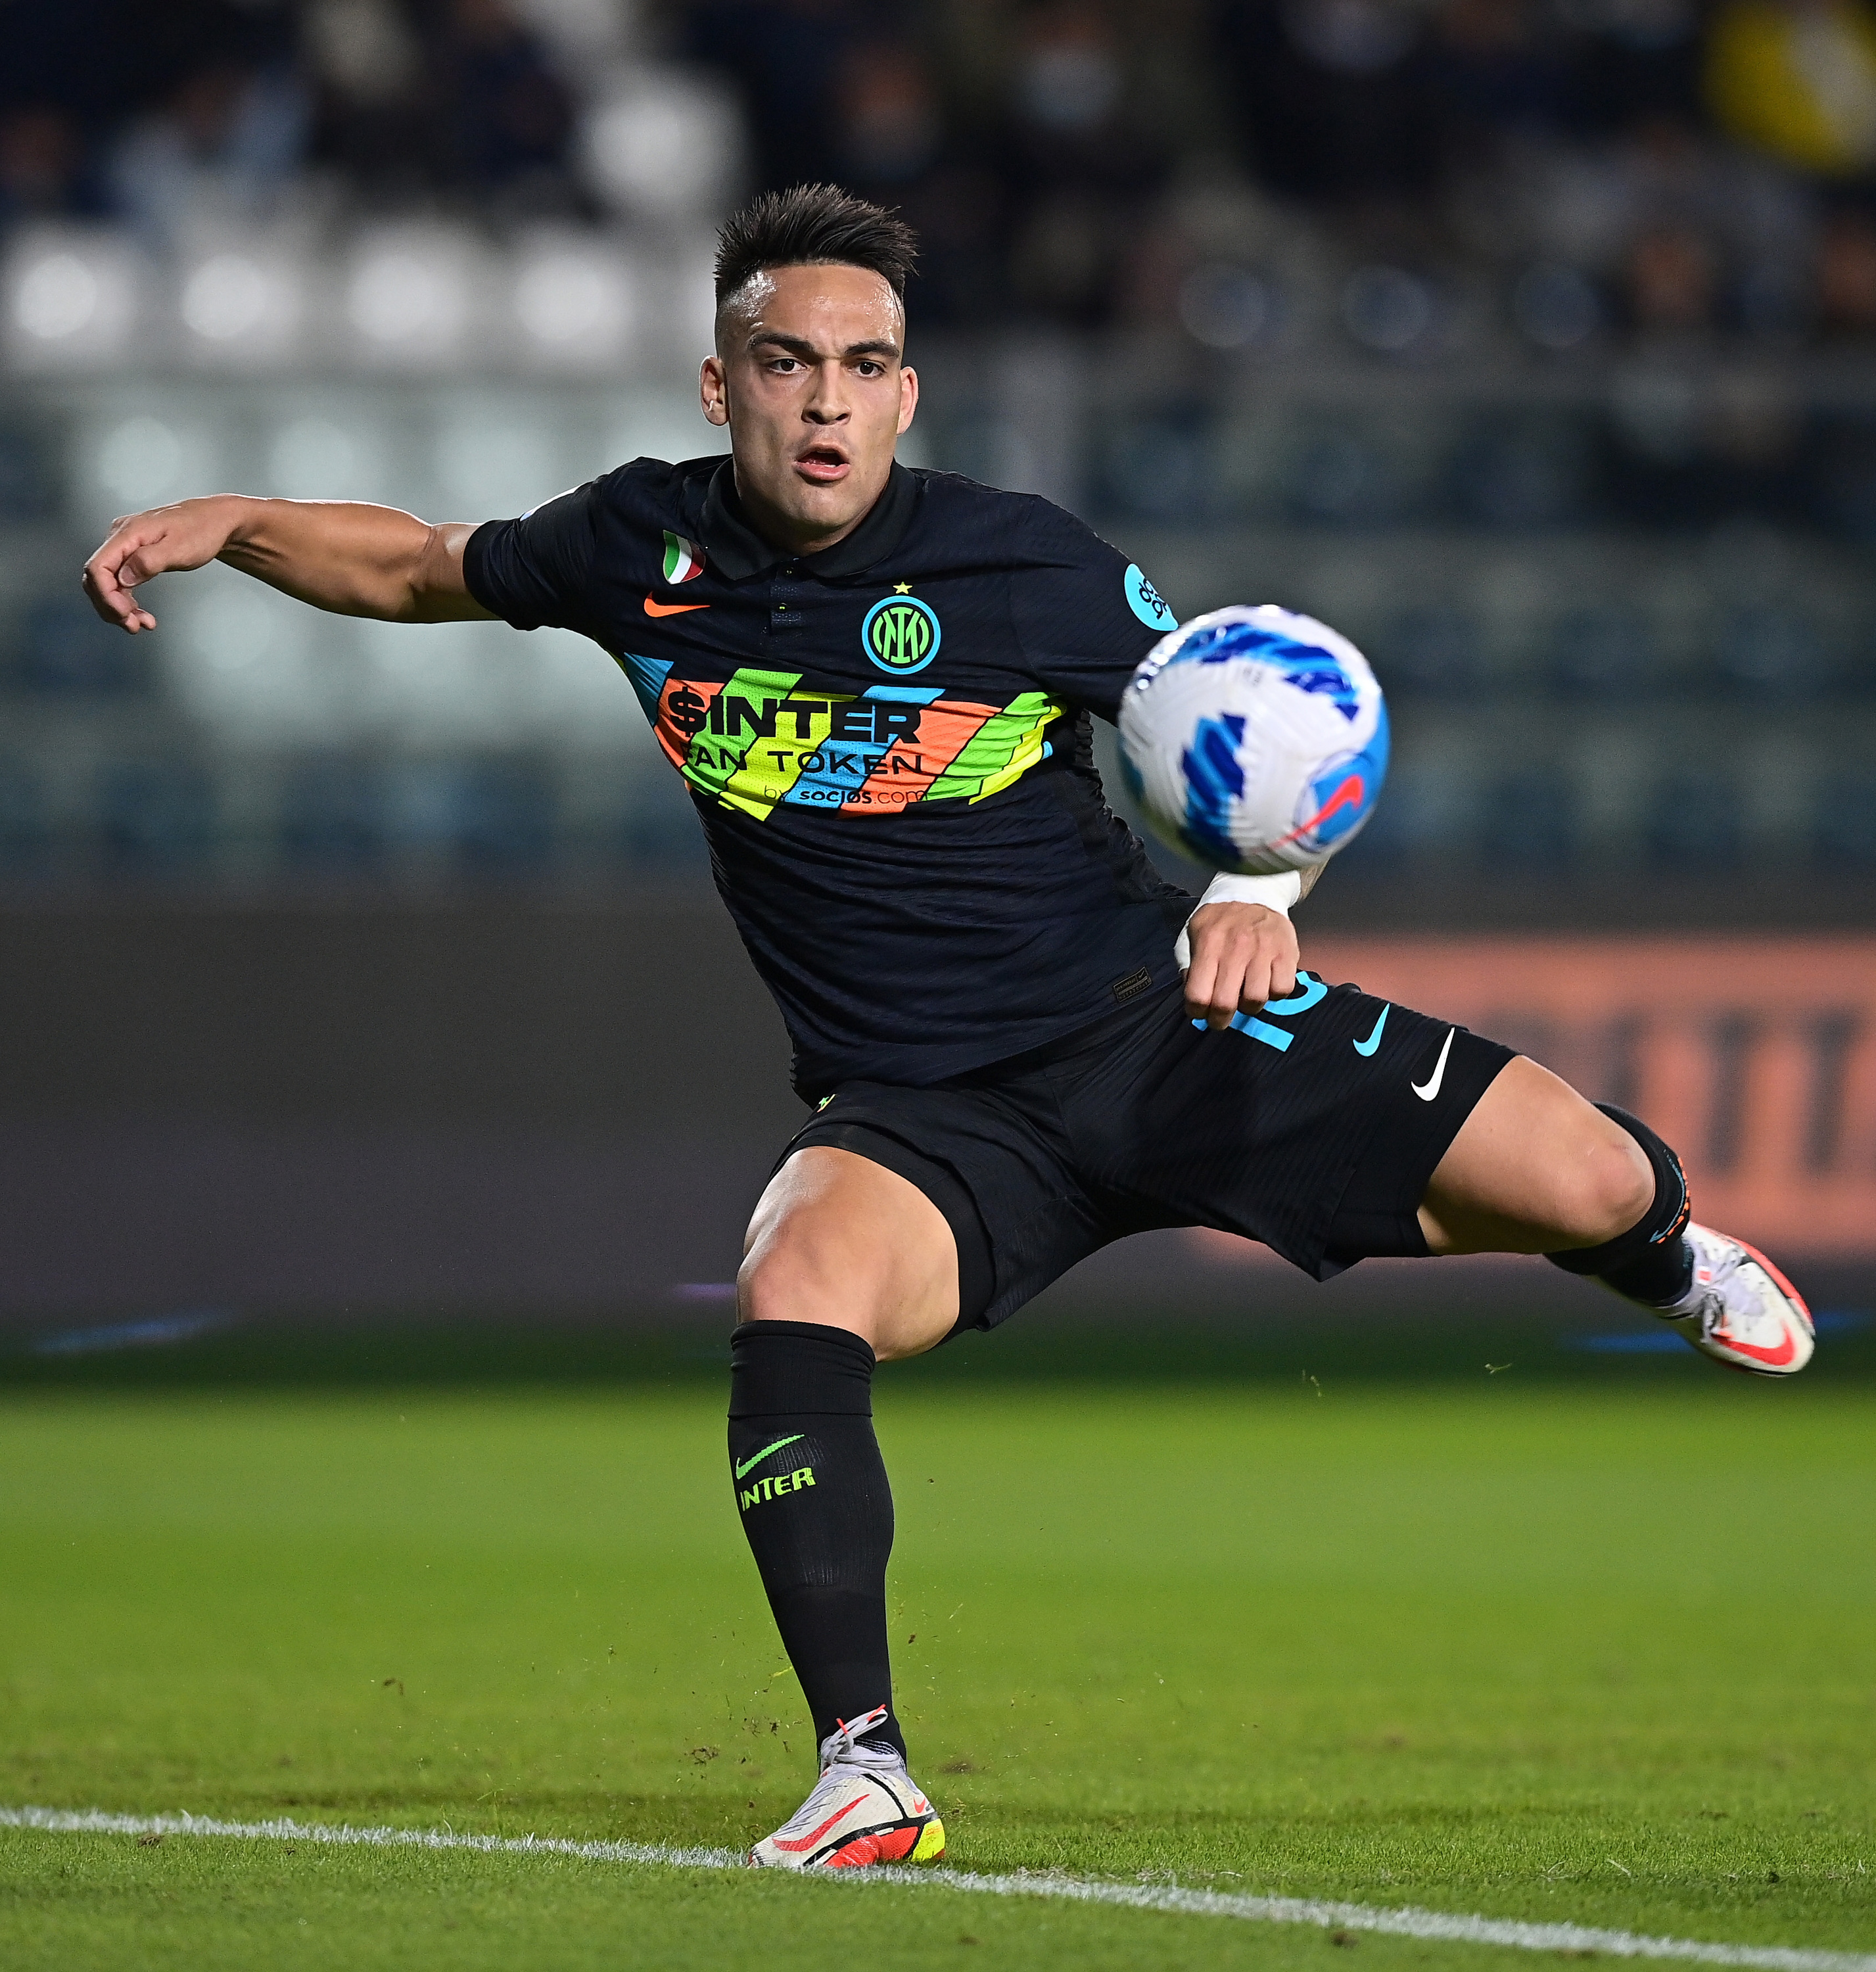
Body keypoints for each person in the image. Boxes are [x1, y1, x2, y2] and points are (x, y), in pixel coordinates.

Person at [82, 183, 1815, 1874]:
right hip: (928, 1113)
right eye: (787, 364)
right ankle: (865, 1769)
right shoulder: (640, 548)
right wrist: (233, 519)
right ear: (722, 386)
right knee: (795, 1283)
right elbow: (415, 569)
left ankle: (1662, 1259)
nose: (826, 401)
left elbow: (1261, 730)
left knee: (1595, 1181)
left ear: (907, 395)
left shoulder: (1025, 562)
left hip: (1161, 1028)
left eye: (863, 367)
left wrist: (1253, 894)